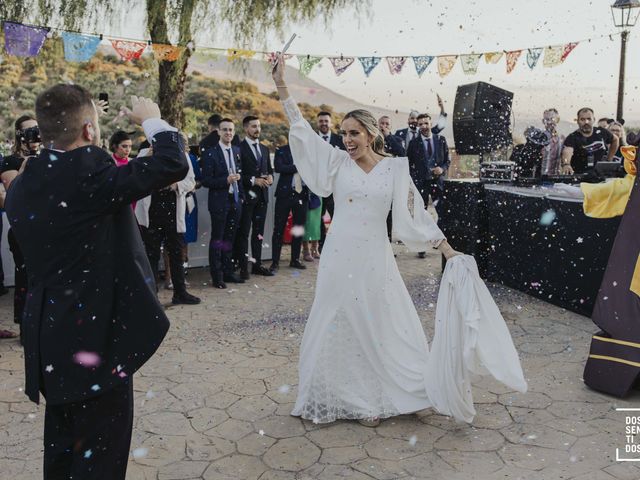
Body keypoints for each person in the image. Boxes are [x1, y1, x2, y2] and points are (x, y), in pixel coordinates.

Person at [271, 54, 525, 426]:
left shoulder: (394, 168)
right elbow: (301, 130)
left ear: (372, 134)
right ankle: (353, 399)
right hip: (340, 254)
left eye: (354, 133)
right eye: (344, 134)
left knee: (384, 320)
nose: (348, 140)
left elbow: (415, 215)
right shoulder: (336, 163)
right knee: (339, 320)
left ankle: (400, 390)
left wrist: (447, 248)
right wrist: (281, 85)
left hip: (376, 255)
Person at [3, 86, 188, 479]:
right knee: (100, 458)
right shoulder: (92, 178)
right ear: (89, 130)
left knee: (62, 450)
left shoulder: (21, 185)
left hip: (48, 338)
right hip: (95, 340)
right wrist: (152, 119)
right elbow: (173, 162)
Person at [135, 133, 201, 305]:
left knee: (176, 252)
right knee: (151, 255)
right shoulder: (144, 153)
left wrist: (175, 185)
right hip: (152, 210)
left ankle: (180, 292)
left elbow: (191, 182)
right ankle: (151, 296)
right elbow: (136, 176)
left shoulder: (181, 154)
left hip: (173, 207)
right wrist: (147, 155)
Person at [0, 115, 41, 341]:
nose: (35, 135)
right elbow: (13, 195)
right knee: (25, 277)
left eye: (38, 129)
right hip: (23, 229)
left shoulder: (48, 157)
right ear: (19, 135)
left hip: (48, 228)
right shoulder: (10, 161)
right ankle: (27, 328)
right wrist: (26, 168)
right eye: (29, 131)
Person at [200, 118, 245, 289]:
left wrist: (240, 196)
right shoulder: (210, 153)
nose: (228, 133)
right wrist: (225, 180)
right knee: (217, 239)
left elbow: (239, 173)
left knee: (230, 239)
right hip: (219, 203)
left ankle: (228, 272)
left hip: (235, 202)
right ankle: (217, 276)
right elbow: (206, 181)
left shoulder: (236, 150)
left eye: (231, 130)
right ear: (218, 132)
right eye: (225, 130)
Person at [235, 115, 274, 279]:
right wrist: (253, 180)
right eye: (253, 126)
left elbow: (269, 170)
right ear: (245, 128)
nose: (257, 129)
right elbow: (237, 173)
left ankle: (257, 265)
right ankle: (243, 268)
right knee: (243, 233)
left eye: (258, 126)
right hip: (247, 197)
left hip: (262, 198)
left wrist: (271, 178)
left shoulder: (265, 149)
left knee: (258, 233)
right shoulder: (238, 148)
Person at [407, 113, 450, 258]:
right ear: (418, 126)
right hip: (421, 183)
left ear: (431, 123)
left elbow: (447, 161)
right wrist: (414, 179)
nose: (424, 126)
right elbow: (409, 164)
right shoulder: (413, 143)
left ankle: (439, 240)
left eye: (426, 123)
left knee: (443, 211)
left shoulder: (441, 140)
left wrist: (442, 169)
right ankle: (422, 244)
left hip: (438, 182)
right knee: (420, 213)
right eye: (421, 124)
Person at [270, 144, 308, 273]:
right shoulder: (281, 150)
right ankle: (275, 261)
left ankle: (295, 259)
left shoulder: (308, 151)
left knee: (298, 228)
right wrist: (299, 167)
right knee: (279, 228)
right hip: (284, 194)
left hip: (302, 194)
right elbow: (279, 168)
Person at [316, 111, 345, 253]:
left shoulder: (340, 140)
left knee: (337, 216)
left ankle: (338, 243)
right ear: (317, 123)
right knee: (318, 217)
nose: (324, 124)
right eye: (321, 121)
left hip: (336, 187)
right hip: (318, 186)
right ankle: (322, 243)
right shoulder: (313, 140)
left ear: (331, 123)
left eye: (326, 121)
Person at [562, 108, 618, 175]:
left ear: (593, 120)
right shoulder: (572, 137)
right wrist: (566, 164)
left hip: (601, 175)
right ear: (577, 121)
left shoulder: (601, 132)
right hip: (581, 176)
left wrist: (609, 159)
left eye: (589, 119)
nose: (586, 122)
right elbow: (567, 151)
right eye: (582, 119)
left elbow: (615, 139)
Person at [378, 115, 406, 245]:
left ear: (390, 126)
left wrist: (388, 136)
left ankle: (387, 243)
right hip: (375, 181)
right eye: (381, 124)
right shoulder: (372, 140)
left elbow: (401, 153)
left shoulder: (397, 139)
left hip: (390, 182)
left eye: (386, 124)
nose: (384, 126)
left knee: (388, 214)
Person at [540, 108, 565, 175]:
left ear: (557, 120)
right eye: (547, 119)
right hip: (540, 177)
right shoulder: (539, 138)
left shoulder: (562, 138)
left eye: (552, 119)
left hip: (556, 177)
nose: (549, 122)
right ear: (543, 121)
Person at [302, 191, 322, 262]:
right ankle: (306, 250)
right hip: (305, 193)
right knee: (306, 224)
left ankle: (314, 249)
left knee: (316, 225)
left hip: (318, 194)